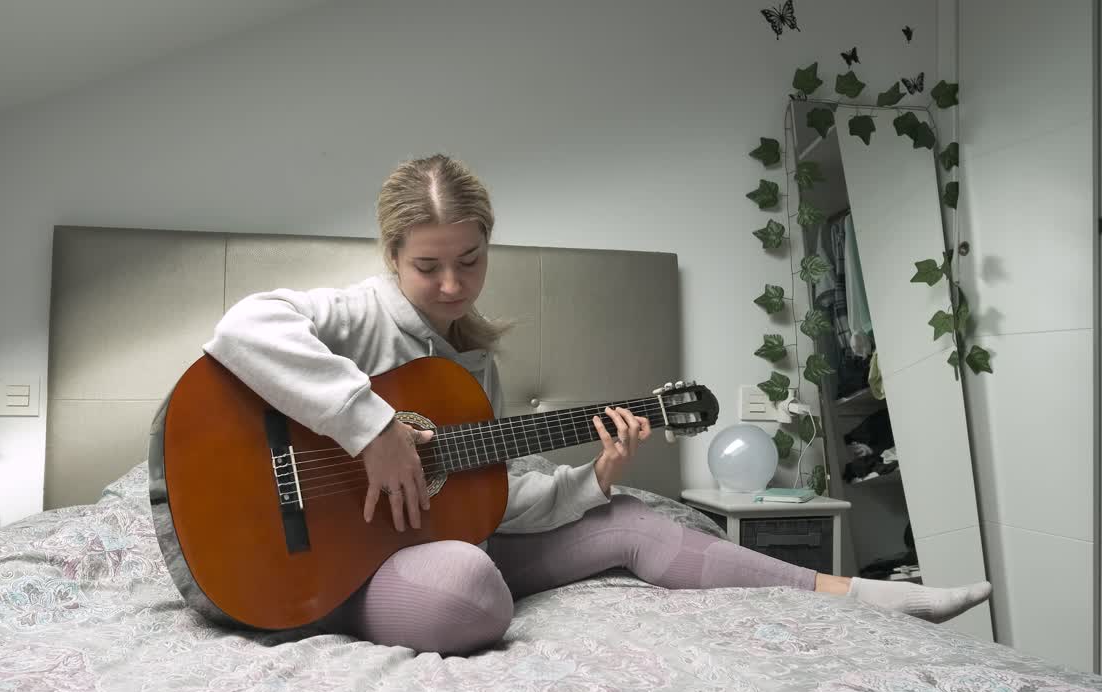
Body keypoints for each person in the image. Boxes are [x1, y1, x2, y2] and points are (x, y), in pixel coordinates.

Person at [202, 154, 991, 655]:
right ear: (392, 260)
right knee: (467, 589)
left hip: (437, 540)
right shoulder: (358, 314)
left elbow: (498, 503)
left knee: (632, 525)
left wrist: (596, 478)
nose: (452, 285)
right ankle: (321, 604)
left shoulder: (472, 373)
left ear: (488, 247)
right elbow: (244, 327)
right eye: (428, 267)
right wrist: (370, 426)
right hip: (335, 553)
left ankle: (863, 595)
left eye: (470, 260)